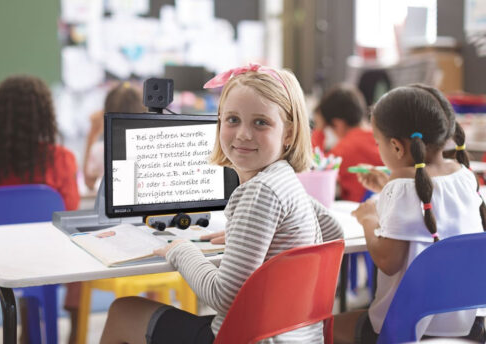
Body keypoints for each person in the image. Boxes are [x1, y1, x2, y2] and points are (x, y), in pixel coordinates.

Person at [99, 63, 343, 344]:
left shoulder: (260, 190)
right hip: (297, 336)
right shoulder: (285, 179)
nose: (243, 134)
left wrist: (182, 250)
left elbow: (223, 297)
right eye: (232, 120)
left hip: (248, 338)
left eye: (261, 122)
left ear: (288, 133)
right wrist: (252, 236)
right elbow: (332, 231)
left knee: (123, 311)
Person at [333, 84, 486, 344]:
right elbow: (429, 203)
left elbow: (388, 260)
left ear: (396, 147)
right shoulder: (463, 175)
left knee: (326, 326)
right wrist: (386, 188)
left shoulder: (402, 186)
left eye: (377, 142)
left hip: (407, 327)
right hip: (469, 324)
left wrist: (369, 218)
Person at [0, 75, 79, 344]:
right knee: (79, 248)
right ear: (45, 115)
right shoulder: (63, 160)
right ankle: (74, 334)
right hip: (47, 259)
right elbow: (70, 208)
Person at [313, 85, 383, 202]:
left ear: (337, 124)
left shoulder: (346, 148)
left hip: (357, 209)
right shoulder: (379, 136)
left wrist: (319, 130)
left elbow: (314, 168)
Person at [82, 81, 146, 191]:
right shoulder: (150, 148)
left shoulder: (101, 151)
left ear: (105, 113)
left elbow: (89, 182)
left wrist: (93, 132)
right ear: (143, 110)